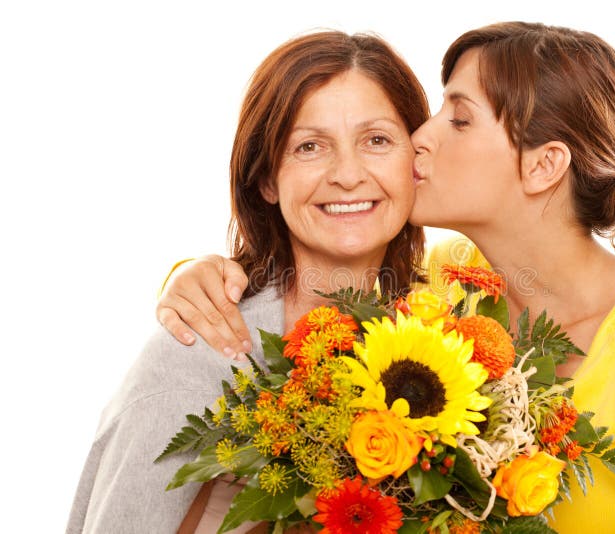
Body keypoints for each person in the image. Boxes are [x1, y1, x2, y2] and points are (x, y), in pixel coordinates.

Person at [157, 22, 615, 533]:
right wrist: (197, 275)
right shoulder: (449, 279)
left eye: (458, 119)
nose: (421, 137)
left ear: (543, 165)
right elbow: (323, 281)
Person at [66, 30, 429, 534]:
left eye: (376, 140)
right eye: (309, 146)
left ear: (418, 161)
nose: (347, 173)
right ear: (266, 180)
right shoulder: (195, 356)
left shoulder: (453, 332)